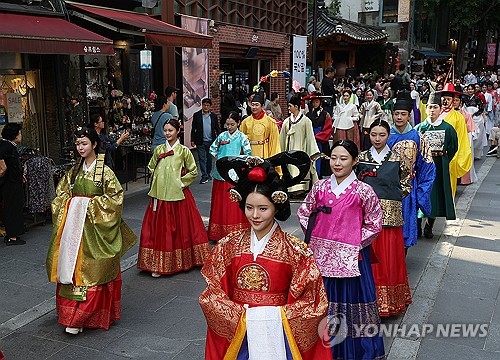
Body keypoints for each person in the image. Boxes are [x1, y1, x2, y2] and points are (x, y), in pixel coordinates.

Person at [200, 151, 331, 359]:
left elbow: (313, 302)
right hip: (239, 336)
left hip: (279, 334)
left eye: (263, 208)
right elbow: (212, 294)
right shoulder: (227, 246)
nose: (255, 215)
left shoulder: (296, 251)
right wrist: (241, 316)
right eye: (249, 207)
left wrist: (275, 316)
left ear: (276, 207)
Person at [297, 140, 385, 359]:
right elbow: (304, 212)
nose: (337, 163)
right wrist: (317, 239)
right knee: (322, 306)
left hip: (352, 259)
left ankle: (354, 353)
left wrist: (354, 242)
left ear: (355, 161)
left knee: (353, 307)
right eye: (334, 158)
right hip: (321, 257)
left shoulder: (364, 191)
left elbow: (374, 222)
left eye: (343, 158)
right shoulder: (320, 187)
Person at [46, 127, 137, 334]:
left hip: (95, 231)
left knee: (93, 272)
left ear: (94, 144)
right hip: (74, 232)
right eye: (78, 144)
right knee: (73, 271)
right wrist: (71, 204)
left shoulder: (103, 171)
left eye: (84, 143)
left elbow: (115, 199)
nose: (80, 147)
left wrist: (86, 205)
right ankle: (72, 316)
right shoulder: (74, 171)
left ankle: (83, 317)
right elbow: (61, 195)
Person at [138, 119, 210, 277]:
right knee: (158, 229)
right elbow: (151, 166)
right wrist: (158, 178)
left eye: (170, 130)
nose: (167, 133)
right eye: (165, 130)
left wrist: (180, 182)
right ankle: (158, 263)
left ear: (177, 131)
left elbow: (193, 171)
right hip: (159, 195)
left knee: (180, 228)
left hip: (178, 194)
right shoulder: (159, 150)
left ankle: (180, 261)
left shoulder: (184, 151)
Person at [357, 120, 412, 317]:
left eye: (382, 134)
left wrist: (393, 200)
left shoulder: (398, 158)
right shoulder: (362, 158)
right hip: (365, 217)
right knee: (367, 259)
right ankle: (367, 300)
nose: (377, 139)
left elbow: (406, 181)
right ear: (368, 135)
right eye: (373, 134)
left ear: (388, 135)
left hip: (391, 218)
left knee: (388, 259)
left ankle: (389, 302)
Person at [387, 91, 436, 247]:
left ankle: (401, 259)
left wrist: (421, 193)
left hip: (408, 189)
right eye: (396, 114)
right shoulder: (385, 136)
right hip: (386, 188)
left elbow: (428, 167)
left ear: (409, 116)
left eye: (403, 114)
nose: (399, 117)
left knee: (405, 225)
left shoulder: (418, 137)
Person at [415, 92, 458, 239]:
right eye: (430, 107)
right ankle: (417, 225)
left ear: (440, 109)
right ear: (426, 109)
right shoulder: (420, 128)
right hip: (422, 167)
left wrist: (444, 160)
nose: (432, 110)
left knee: (435, 195)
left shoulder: (448, 128)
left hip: (439, 165)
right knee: (421, 193)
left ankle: (429, 225)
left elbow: (453, 147)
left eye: (435, 107)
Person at [208, 111, 252, 241]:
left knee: (233, 203)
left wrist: (239, 161)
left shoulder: (242, 137)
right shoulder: (222, 136)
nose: (229, 127)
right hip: (220, 173)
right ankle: (218, 232)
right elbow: (212, 148)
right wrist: (217, 158)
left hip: (235, 174)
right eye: (227, 124)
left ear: (238, 123)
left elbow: (248, 152)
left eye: (232, 124)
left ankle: (236, 231)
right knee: (220, 203)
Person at [279, 94, 320, 193]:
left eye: (290, 106)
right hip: (290, 151)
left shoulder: (306, 121)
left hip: (302, 150)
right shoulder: (286, 122)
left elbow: (310, 138)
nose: (288, 108)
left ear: (296, 107)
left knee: (300, 169)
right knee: (290, 168)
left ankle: (301, 188)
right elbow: (282, 139)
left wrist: (313, 153)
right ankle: (291, 188)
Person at [438, 84, 472, 197]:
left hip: (449, 154)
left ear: (453, 101)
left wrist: (457, 155)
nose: (445, 101)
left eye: (448, 99)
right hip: (433, 154)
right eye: (444, 99)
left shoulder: (458, 117)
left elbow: (461, 138)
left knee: (448, 182)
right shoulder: (435, 114)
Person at [0, 123, 25, 245]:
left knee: (13, 206)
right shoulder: (7, 147)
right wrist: (3, 171)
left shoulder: (8, 146)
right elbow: (5, 165)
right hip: (11, 183)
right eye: (19, 133)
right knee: (13, 207)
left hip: (12, 181)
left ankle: (13, 234)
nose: (21, 135)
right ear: (14, 135)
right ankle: (12, 236)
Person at [240, 91, 281, 159]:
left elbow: (274, 143)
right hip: (249, 155)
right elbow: (241, 141)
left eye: (256, 105)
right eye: (252, 105)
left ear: (262, 106)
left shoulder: (270, 122)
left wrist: (273, 160)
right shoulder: (245, 122)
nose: (254, 107)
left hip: (265, 154)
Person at [191, 98, 220, 184]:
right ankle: (204, 175)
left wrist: (219, 139)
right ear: (202, 105)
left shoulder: (213, 116)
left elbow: (217, 128)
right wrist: (192, 140)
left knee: (209, 158)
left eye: (208, 105)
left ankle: (208, 173)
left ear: (210, 106)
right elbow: (194, 129)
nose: (206, 107)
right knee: (202, 158)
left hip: (211, 140)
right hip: (200, 140)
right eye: (204, 105)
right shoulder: (197, 115)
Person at [306, 91, 333, 178]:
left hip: (321, 140)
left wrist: (318, 136)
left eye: (316, 102)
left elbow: (328, 128)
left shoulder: (326, 114)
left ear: (320, 102)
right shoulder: (308, 114)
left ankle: (319, 176)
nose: (315, 104)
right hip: (311, 138)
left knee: (321, 159)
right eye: (313, 102)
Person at [454, 95, 478, 184]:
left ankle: (464, 179)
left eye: (457, 100)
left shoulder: (465, 114)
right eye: (454, 100)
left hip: (463, 139)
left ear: (460, 102)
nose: (455, 102)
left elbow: (471, 129)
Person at [464, 84, 487, 159]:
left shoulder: (477, 98)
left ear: (474, 90)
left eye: (471, 89)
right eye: (469, 89)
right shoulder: (464, 98)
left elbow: (481, 108)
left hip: (476, 118)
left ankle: (477, 154)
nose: (470, 91)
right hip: (467, 117)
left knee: (478, 137)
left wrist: (474, 114)